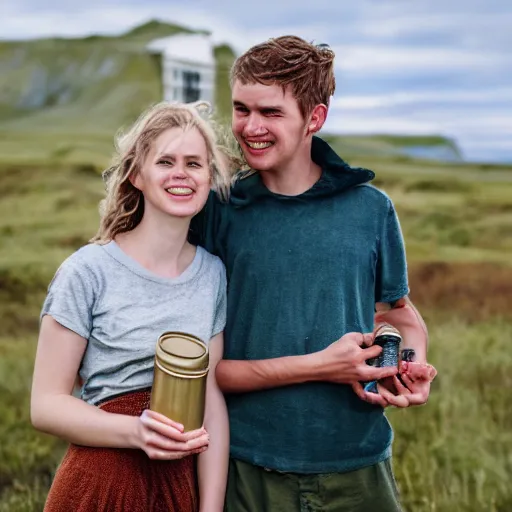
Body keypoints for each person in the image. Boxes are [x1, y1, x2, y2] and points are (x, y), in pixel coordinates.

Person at [190, 36, 437, 511]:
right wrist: (324, 366)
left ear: (315, 118)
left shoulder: (371, 209)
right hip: (247, 466)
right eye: (241, 109)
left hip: (359, 466)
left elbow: (401, 317)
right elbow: (206, 368)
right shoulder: (219, 211)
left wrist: (408, 367)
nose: (250, 127)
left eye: (271, 112)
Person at [31, 102, 232, 512]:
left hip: (176, 488)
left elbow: (210, 398)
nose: (181, 173)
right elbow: (46, 405)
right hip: (98, 484)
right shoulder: (87, 271)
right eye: (165, 161)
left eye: (194, 163)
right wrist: (135, 432)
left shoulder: (212, 274)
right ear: (137, 175)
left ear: (209, 178)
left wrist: (210, 509)